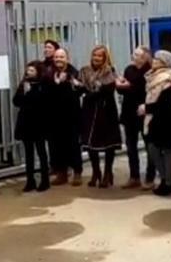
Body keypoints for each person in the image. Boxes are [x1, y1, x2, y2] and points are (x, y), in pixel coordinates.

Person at [138, 50, 171, 196]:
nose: (153, 61)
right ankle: (165, 178)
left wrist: (147, 108)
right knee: (153, 148)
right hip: (154, 120)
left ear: (165, 62)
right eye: (154, 58)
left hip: (167, 119)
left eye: (158, 59)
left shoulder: (168, 78)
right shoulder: (152, 77)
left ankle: (169, 182)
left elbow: (167, 104)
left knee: (167, 149)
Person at [77, 46, 123, 188]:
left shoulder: (109, 71)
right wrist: (80, 88)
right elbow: (81, 88)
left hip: (105, 110)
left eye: (100, 56)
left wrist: (90, 93)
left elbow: (107, 91)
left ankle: (108, 172)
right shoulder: (84, 71)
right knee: (91, 142)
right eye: (94, 55)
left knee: (108, 143)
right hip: (89, 110)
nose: (96, 58)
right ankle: (96, 172)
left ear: (105, 58)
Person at [43, 48, 84, 186]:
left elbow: (79, 91)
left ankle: (77, 172)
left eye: (61, 57)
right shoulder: (48, 73)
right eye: (56, 57)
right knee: (56, 145)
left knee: (73, 144)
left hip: (71, 116)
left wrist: (73, 85)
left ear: (67, 58)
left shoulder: (74, 73)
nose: (58, 59)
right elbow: (46, 93)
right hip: (54, 116)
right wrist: (57, 84)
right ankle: (61, 172)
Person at [116, 46, 156, 190]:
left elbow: (145, 89)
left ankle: (150, 177)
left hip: (145, 113)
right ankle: (134, 176)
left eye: (137, 54)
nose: (133, 56)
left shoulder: (151, 71)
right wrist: (121, 86)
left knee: (149, 146)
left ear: (145, 57)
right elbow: (121, 89)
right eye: (133, 53)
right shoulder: (129, 69)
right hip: (129, 113)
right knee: (131, 147)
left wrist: (129, 86)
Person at [13, 61, 50, 192]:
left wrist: (30, 93)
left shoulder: (43, 85)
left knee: (41, 151)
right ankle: (30, 180)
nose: (29, 73)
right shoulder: (24, 84)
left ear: (38, 72)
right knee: (28, 153)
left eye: (32, 71)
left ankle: (45, 180)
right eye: (28, 70)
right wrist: (24, 92)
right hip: (25, 122)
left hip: (39, 122)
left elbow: (42, 102)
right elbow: (16, 101)